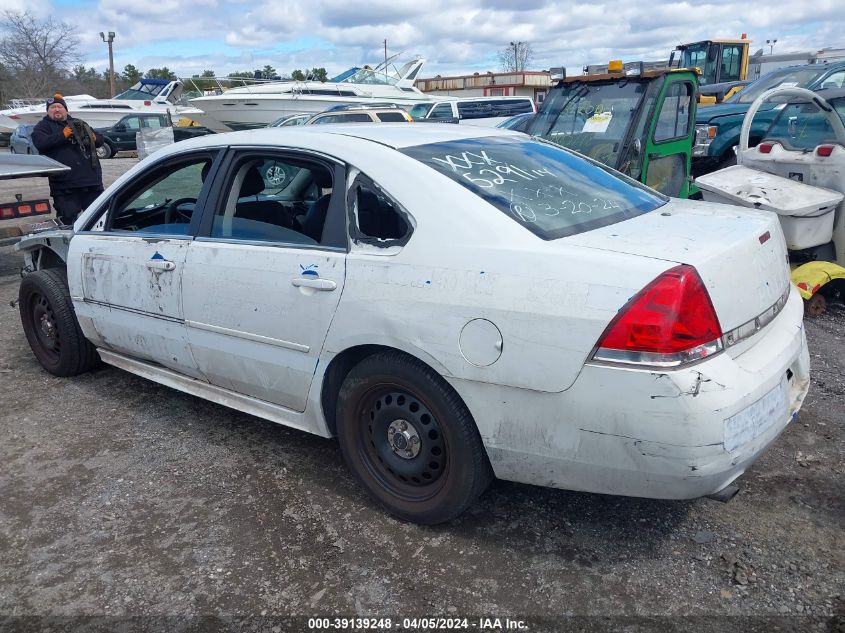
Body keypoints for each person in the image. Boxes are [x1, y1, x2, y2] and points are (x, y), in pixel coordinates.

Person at [31, 93, 104, 226]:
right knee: (67, 221)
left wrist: (93, 137)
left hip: (92, 183)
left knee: (99, 219)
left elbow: (99, 140)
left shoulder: (79, 123)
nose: (57, 110)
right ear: (48, 111)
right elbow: (40, 143)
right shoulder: (42, 127)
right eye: (52, 107)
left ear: (66, 109)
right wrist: (62, 135)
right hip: (64, 186)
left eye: (59, 106)